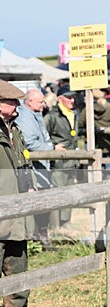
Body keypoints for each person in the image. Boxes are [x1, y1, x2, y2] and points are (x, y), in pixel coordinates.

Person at [0, 80, 35, 307]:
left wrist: (31, 187)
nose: (16, 105)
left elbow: (23, 162)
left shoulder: (15, 130)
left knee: (20, 275)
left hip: (18, 213)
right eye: (11, 101)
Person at [15, 88, 54, 247]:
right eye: (40, 102)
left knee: (43, 200)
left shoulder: (34, 115)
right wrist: (51, 148)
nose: (43, 104)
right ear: (29, 102)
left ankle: (39, 235)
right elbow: (30, 143)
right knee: (39, 200)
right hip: (34, 166)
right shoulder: (26, 117)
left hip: (39, 166)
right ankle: (37, 237)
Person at [44, 86, 79, 231]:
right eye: (68, 97)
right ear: (60, 99)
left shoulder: (74, 113)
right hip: (58, 162)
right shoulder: (52, 116)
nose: (72, 100)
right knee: (58, 192)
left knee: (70, 192)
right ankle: (55, 225)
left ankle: (66, 221)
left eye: (73, 97)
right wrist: (53, 147)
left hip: (72, 160)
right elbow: (43, 136)